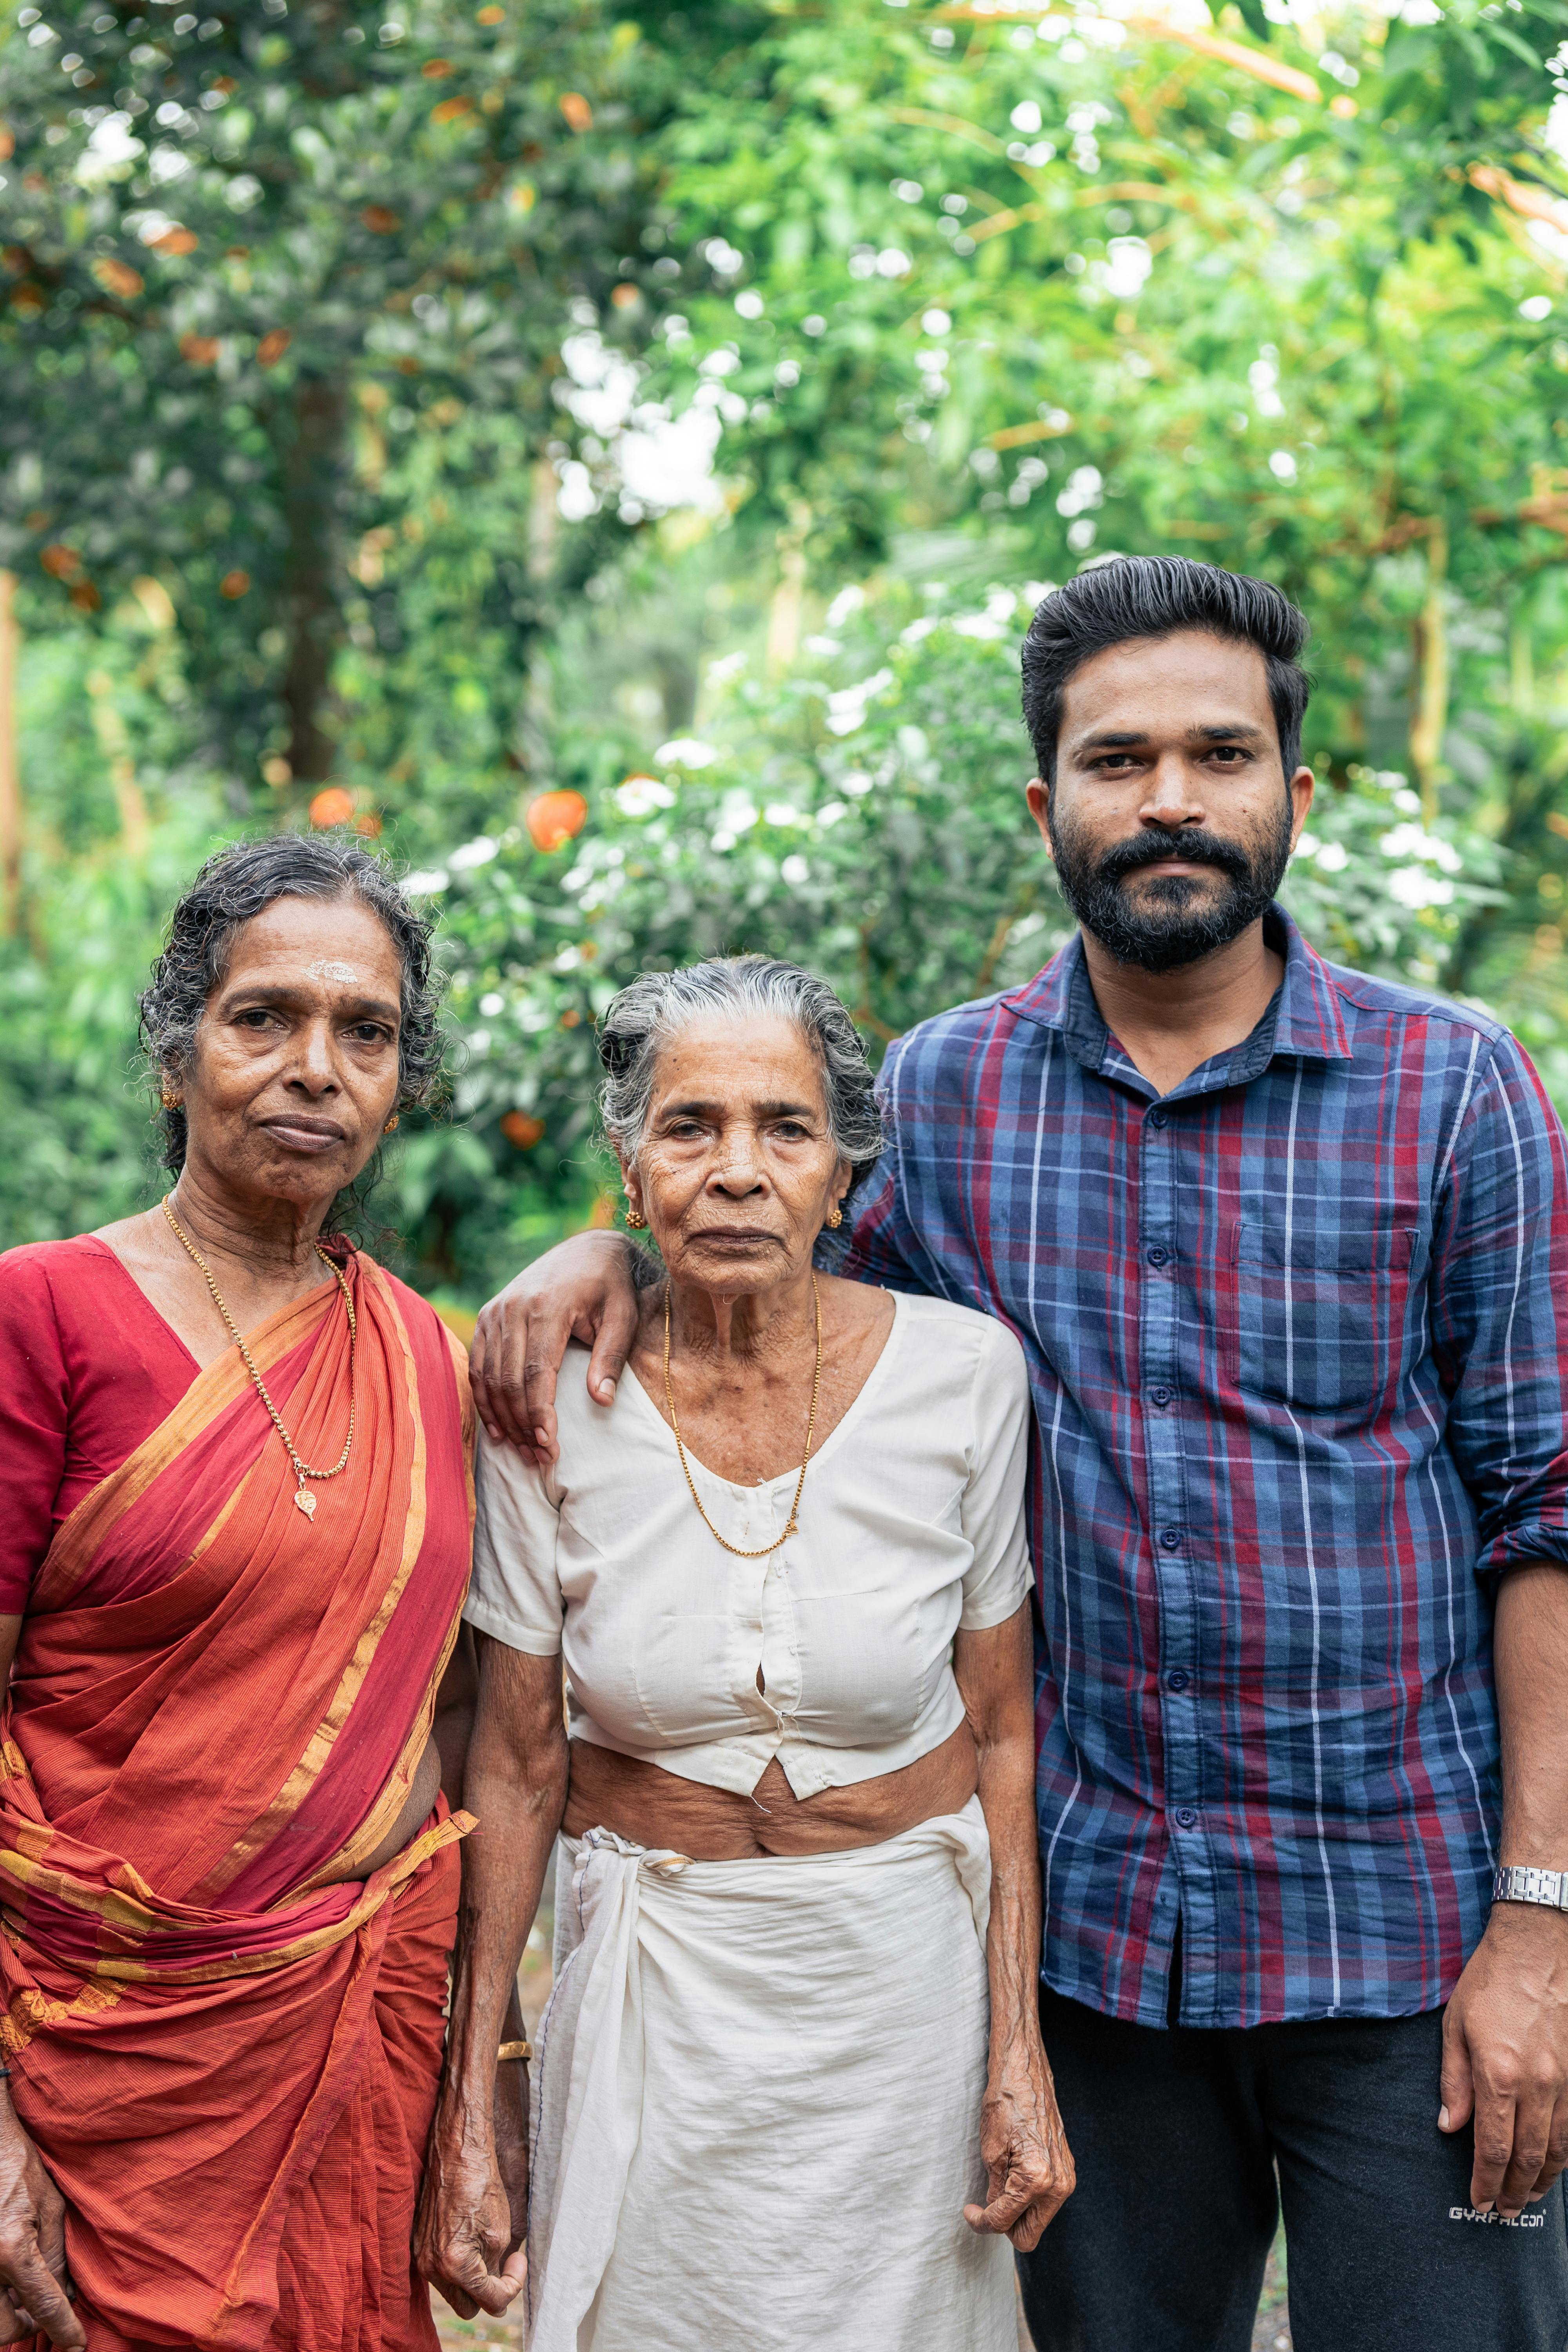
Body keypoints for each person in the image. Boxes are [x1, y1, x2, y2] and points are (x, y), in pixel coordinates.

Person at [468, 557, 1568, 2352]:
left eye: (1219, 754)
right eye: (1116, 759)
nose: (1169, 800)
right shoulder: (954, 1099)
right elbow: (787, 1297)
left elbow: (1549, 1513)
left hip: (1409, 1937)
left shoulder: (1454, 1091)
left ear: (1297, 792)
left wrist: (1544, 1926)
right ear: (1042, 801)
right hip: (1093, 1958)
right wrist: (601, 1248)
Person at [416, 956, 1075, 2350]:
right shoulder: (549, 1407)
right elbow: (519, 1763)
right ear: (628, 1161)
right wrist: (476, 2095)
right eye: (689, 1127)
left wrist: (1017, 2053)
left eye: (785, 1129)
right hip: (654, 1996)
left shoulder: (965, 1377)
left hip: (902, 1998)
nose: (737, 1171)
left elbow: (1005, 1732)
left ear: (845, 1172)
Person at [0, 836, 482, 2352]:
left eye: (368, 1031)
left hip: (343, 2055)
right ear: (176, 1053)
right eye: (262, 1017)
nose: (315, 1068)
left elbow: (459, 1708)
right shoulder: (43, 1316)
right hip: (88, 2072)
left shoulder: (427, 1358)